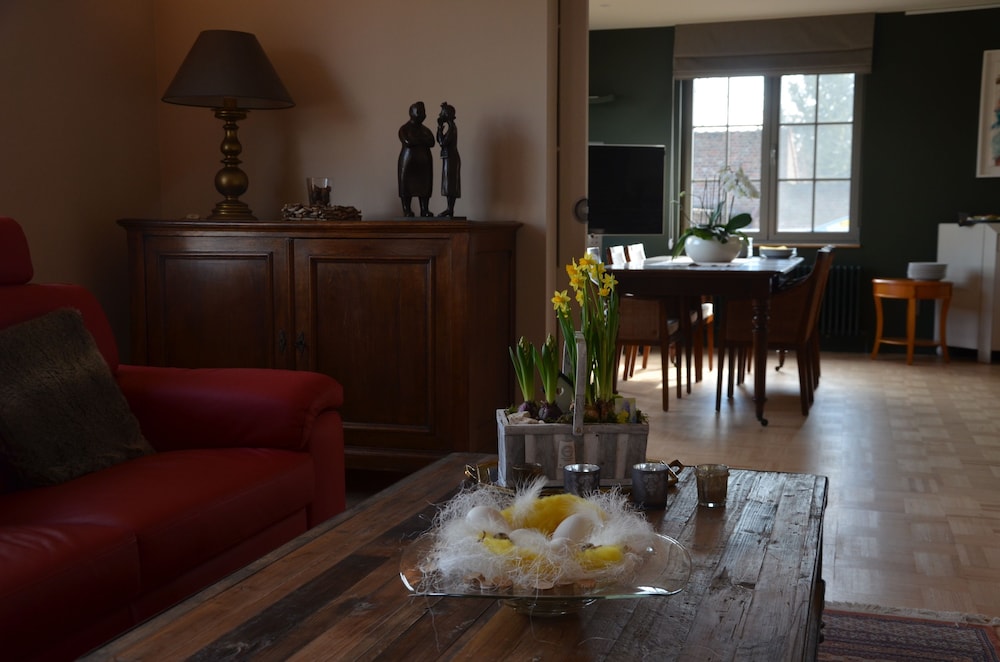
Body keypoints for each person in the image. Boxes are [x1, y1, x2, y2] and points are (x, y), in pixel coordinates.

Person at [397, 102, 435, 217]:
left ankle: (424, 209)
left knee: (424, 186)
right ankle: (407, 209)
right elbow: (408, 141)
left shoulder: (425, 130)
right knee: (406, 187)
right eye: (419, 112)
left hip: (424, 164)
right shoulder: (404, 129)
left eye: (423, 112)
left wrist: (417, 139)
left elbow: (431, 142)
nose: (422, 115)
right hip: (408, 163)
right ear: (411, 113)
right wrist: (422, 140)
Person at [436, 102, 461, 218]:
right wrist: (439, 129)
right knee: (448, 183)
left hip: (451, 158)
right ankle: (449, 209)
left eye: (442, 113)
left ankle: (450, 209)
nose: (439, 115)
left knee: (450, 184)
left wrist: (439, 128)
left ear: (446, 115)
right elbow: (440, 141)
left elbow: (442, 142)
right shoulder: (451, 128)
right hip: (449, 157)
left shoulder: (452, 129)